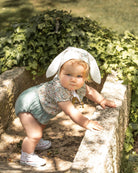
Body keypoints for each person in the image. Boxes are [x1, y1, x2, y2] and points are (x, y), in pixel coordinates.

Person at [15, 47, 116, 167]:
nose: (73, 79)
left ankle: (35, 143)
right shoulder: (59, 89)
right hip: (29, 103)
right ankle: (26, 156)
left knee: (41, 124)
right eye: (68, 74)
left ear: (85, 78)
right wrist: (86, 122)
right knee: (34, 133)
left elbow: (89, 91)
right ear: (59, 73)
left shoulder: (80, 86)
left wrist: (102, 100)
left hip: (43, 106)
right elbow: (71, 111)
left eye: (79, 76)